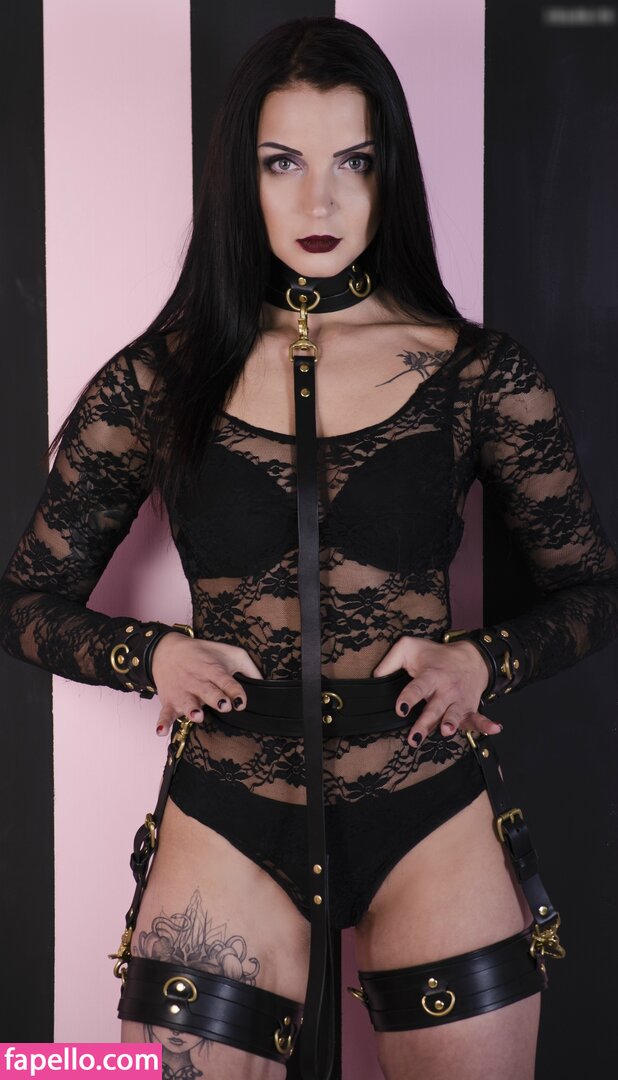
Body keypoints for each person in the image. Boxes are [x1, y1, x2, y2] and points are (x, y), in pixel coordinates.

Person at [0, 15, 616, 1080]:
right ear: (239, 177)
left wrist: (484, 661)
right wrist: (151, 655)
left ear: (392, 174)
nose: (319, 204)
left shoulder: (479, 375)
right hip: (228, 812)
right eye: (282, 162)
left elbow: (594, 588)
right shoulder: (157, 378)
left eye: (354, 163)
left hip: (428, 808)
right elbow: (24, 600)